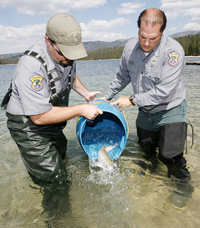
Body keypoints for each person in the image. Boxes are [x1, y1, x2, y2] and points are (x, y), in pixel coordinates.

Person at [5, 13, 103, 182]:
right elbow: (39, 117)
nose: (69, 58)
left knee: (61, 156)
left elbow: (68, 74)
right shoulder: (31, 66)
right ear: (48, 41)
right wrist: (80, 109)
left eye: (73, 53)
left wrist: (86, 94)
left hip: (51, 119)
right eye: (64, 52)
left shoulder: (66, 55)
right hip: (29, 125)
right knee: (54, 178)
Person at [103, 8, 191, 180]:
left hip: (170, 109)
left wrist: (131, 100)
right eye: (142, 36)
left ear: (162, 32)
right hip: (145, 111)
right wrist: (105, 98)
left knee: (171, 157)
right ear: (138, 29)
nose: (146, 43)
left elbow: (165, 92)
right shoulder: (129, 48)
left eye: (153, 38)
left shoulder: (174, 51)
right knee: (146, 151)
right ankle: (149, 188)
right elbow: (122, 77)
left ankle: (182, 192)